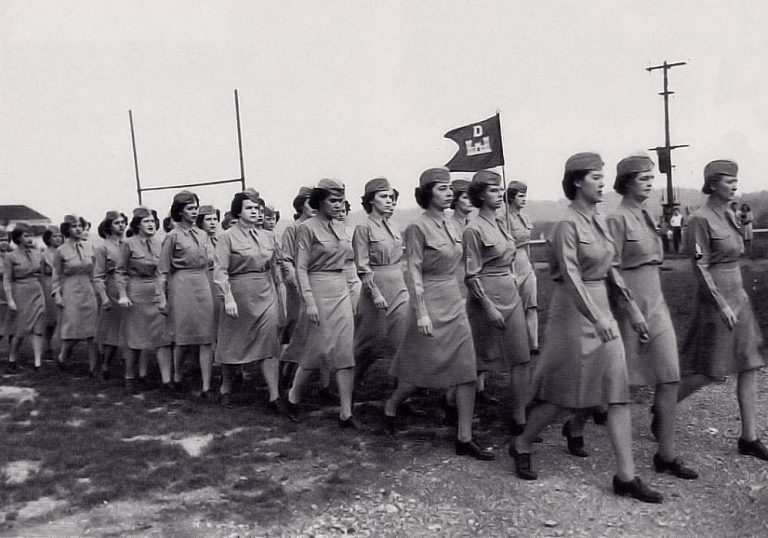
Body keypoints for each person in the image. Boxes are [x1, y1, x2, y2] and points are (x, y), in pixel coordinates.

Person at [510, 152, 662, 503]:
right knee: (564, 394)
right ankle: (520, 442)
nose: (602, 182)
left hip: (603, 309)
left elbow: (611, 270)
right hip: (573, 314)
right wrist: (597, 317)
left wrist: (631, 309)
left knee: (616, 391)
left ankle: (626, 476)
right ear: (577, 181)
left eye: (603, 176)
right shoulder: (566, 224)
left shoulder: (599, 220)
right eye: (596, 177)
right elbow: (572, 276)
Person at [566, 155, 698, 479]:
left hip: (657, 300)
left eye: (652, 178)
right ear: (625, 182)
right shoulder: (617, 219)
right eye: (644, 179)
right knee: (614, 382)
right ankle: (575, 421)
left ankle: (666, 454)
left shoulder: (647, 215)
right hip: (629, 305)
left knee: (669, 377)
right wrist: (631, 308)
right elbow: (611, 268)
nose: (651, 183)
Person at [384, 167, 494, 460]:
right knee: (419, 368)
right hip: (429, 301)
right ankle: (391, 406)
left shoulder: (454, 225)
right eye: (442, 188)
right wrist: (420, 312)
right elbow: (413, 271)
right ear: (427, 193)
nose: (449, 193)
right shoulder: (417, 227)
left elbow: (461, 265)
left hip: (454, 300)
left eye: (450, 188)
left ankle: (464, 437)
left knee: (466, 368)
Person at [678, 160, 767, 461]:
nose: (735, 186)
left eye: (736, 181)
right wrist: (721, 304)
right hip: (716, 301)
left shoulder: (730, 214)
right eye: (729, 181)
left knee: (749, 364)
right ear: (713, 184)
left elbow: (737, 252)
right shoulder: (699, 220)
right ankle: (663, 407)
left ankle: (749, 437)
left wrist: (736, 300)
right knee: (709, 372)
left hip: (738, 296)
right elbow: (700, 265)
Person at [213, 191, 296, 420]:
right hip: (239, 292)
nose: (256, 212)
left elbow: (277, 266)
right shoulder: (227, 237)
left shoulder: (268, 237)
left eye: (258, 209)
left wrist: (286, 289)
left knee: (269, 343)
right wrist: (227, 297)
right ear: (238, 211)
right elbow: (220, 271)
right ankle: (226, 387)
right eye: (250, 208)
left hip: (265, 291)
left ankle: (273, 396)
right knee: (232, 344)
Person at [463, 170, 531, 435]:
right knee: (479, 360)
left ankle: (520, 418)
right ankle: (455, 408)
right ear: (479, 195)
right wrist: (488, 307)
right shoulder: (472, 229)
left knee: (521, 357)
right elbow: (471, 275)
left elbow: (510, 256)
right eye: (493, 190)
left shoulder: (503, 223)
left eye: (500, 188)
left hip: (510, 293)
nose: (500, 193)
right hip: (485, 298)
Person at [286, 179, 358, 428]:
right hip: (317, 289)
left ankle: (346, 413)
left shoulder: (342, 228)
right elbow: (301, 267)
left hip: (340, 288)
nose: (339, 205)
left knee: (345, 350)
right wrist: (310, 302)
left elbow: (349, 261)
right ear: (320, 202)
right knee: (317, 348)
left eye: (341, 200)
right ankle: (293, 395)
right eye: (333, 201)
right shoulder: (307, 228)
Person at [352, 177, 408, 390]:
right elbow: (362, 266)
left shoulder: (394, 225)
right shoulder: (363, 228)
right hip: (376, 289)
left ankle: (401, 395)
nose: (389, 201)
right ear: (371, 200)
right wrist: (375, 293)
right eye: (383, 197)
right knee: (369, 345)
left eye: (391, 197)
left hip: (399, 287)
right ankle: (349, 388)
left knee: (402, 341)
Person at [159, 190, 215, 397]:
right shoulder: (172, 237)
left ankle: (207, 386)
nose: (194, 212)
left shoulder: (202, 234)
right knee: (182, 337)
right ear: (180, 211)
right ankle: (177, 377)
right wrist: (161, 297)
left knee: (206, 336)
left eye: (195, 208)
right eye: (190, 208)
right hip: (181, 285)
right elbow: (163, 270)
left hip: (202, 282)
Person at [117, 207, 174, 395]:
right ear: (137, 225)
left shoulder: (161, 244)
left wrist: (165, 294)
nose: (151, 225)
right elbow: (120, 272)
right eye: (146, 221)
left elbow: (164, 271)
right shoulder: (129, 244)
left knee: (162, 338)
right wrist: (123, 294)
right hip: (137, 292)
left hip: (157, 292)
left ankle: (167, 381)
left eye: (153, 221)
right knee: (135, 338)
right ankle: (129, 377)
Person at [52, 215, 99, 374]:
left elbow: (95, 272)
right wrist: (57, 294)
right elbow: (56, 276)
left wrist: (99, 291)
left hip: (88, 288)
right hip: (70, 290)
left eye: (80, 225)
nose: (78, 229)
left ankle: (93, 368)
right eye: (74, 226)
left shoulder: (90, 247)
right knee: (72, 329)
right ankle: (62, 358)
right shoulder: (60, 251)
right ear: (67, 229)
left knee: (92, 331)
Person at [278, 186, 316, 386]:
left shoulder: (318, 227)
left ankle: (304, 368)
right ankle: (287, 367)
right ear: (301, 206)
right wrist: (297, 284)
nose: (313, 207)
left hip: (317, 282)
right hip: (298, 285)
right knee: (297, 325)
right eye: (309, 204)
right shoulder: (293, 229)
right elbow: (286, 260)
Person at [3, 224, 46, 372]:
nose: (30, 239)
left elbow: (42, 271)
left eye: (31, 236)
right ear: (17, 239)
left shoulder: (36, 253)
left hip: (36, 290)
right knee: (20, 329)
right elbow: (7, 279)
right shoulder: (10, 256)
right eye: (26, 236)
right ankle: (12, 358)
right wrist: (10, 300)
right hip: (19, 292)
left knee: (38, 328)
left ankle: (37, 362)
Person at [506, 180, 539, 356]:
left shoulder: (525, 218)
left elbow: (526, 244)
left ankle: (533, 344)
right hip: (510, 264)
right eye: (520, 196)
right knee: (512, 308)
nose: (524, 199)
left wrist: (530, 265)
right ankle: (513, 346)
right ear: (511, 198)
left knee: (531, 305)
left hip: (525, 262)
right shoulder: (503, 219)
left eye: (525, 195)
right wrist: (509, 271)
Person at [93, 211, 127, 380]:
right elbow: (98, 275)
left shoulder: (128, 244)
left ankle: (128, 363)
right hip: (112, 288)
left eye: (123, 222)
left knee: (129, 326)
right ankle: (105, 364)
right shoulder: (102, 248)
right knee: (111, 329)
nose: (121, 225)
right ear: (108, 227)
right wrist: (104, 297)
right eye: (116, 223)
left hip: (129, 287)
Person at [196, 205, 221, 346]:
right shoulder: (199, 241)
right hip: (205, 280)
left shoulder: (220, 239)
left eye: (215, 219)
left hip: (220, 280)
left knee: (220, 316)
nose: (213, 222)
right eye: (209, 219)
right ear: (201, 222)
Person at [41, 226, 63, 358]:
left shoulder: (65, 251)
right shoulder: (44, 254)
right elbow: (42, 274)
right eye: (55, 236)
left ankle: (64, 348)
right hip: (49, 286)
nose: (58, 239)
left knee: (64, 318)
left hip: (64, 284)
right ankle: (47, 345)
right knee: (51, 319)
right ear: (48, 239)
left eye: (60, 236)